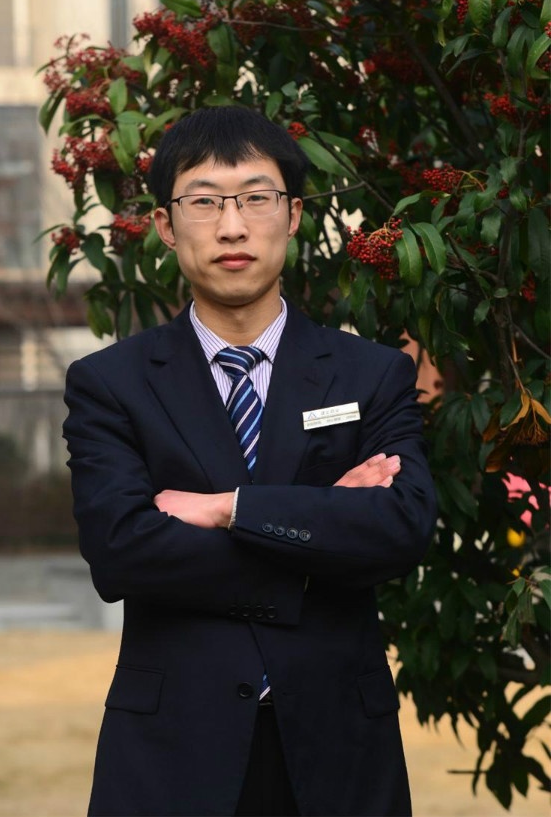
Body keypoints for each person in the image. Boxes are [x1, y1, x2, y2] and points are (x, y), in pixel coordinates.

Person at [63, 106, 437, 817]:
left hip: (339, 752)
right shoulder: (111, 383)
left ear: (293, 215)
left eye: (256, 198)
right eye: (204, 202)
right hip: (172, 756)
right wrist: (323, 529)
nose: (232, 227)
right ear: (166, 225)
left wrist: (227, 509)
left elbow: (401, 527)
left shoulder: (370, 374)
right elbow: (121, 552)